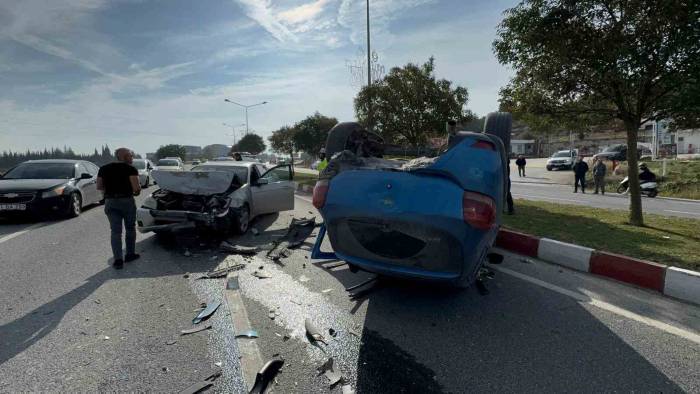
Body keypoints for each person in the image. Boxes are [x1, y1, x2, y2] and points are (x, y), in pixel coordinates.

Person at [97, 148, 141, 269]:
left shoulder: (103, 168)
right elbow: (136, 189)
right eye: (131, 156)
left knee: (115, 231)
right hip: (126, 201)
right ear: (126, 156)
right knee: (130, 228)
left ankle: (118, 260)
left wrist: (109, 193)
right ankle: (130, 254)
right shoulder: (130, 169)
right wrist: (136, 192)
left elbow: (99, 186)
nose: (132, 158)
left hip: (110, 202)